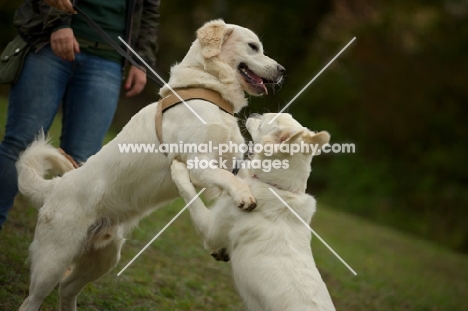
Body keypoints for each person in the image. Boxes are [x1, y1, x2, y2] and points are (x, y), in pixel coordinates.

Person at [0, 0, 160, 229]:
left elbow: (149, 9)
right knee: (20, 143)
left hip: (108, 59)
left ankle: (57, 246)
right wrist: (59, 23)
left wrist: (141, 58)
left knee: (83, 162)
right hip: (47, 42)